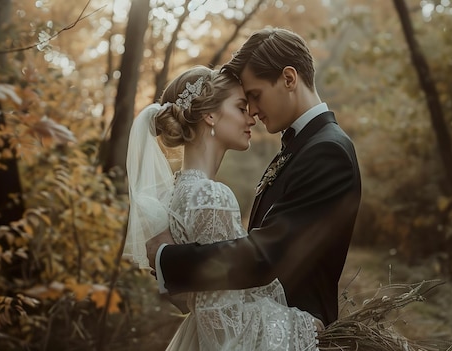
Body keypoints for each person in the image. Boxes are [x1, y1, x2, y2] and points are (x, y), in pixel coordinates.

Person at [146, 27, 362, 327]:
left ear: (289, 78)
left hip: (294, 331)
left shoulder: (327, 150)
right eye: (245, 102)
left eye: (255, 96)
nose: (254, 111)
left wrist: (168, 259)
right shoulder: (300, 146)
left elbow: (266, 255)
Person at [124, 65, 320, 350]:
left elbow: (191, 299)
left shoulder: (176, 193)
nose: (252, 116)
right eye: (241, 108)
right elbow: (224, 325)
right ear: (210, 115)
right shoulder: (210, 196)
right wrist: (301, 325)